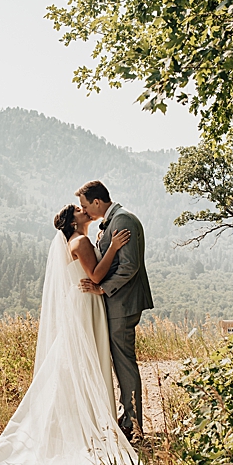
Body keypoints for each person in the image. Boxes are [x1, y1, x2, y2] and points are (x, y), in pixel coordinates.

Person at [0, 202, 136, 465]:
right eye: (79, 210)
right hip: (87, 302)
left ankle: (78, 417)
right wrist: (115, 247)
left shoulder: (73, 241)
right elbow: (95, 274)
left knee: (76, 361)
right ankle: (91, 421)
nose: (84, 211)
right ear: (72, 221)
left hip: (82, 302)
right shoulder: (80, 241)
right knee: (88, 359)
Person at [74, 181, 153, 441]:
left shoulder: (123, 221)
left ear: (97, 202)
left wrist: (102, 289)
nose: (84, 210)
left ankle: (132, 423)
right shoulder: (113, 222)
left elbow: (129, 266)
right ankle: (125, 416)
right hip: (118, 302)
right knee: (119, 361)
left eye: (86, 205)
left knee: (124, 362)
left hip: (123, 303)